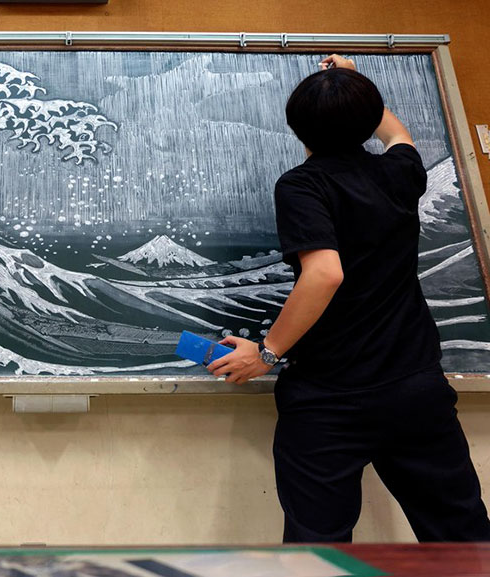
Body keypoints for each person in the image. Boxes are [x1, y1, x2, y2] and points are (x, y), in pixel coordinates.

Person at [207, 54, 490, 542]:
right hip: (413, 388)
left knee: (319, 549)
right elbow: (398, 137)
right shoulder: (400, 173)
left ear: (296, 128)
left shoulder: (302, 185)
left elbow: (324, 273)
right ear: (368, 118)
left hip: (329, 398)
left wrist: (268, 352)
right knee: (461, 536)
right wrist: (355, 87)